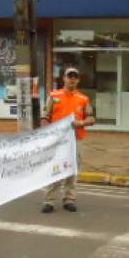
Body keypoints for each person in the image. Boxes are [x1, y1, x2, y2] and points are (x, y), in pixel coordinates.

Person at [41, 67, 94, 213]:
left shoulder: (83, 99)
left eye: (75, 77)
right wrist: (45, 134)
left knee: (72, 169)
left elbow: (91, 118)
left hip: (76, 140)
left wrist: (81, 123)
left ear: (78, 80)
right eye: (69, 76)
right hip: (57, 140)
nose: (72, 79)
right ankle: (49, 201)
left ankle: (69, 199)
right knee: (55, 169)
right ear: (64, 78)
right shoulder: (54, 96)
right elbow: (45, 117)